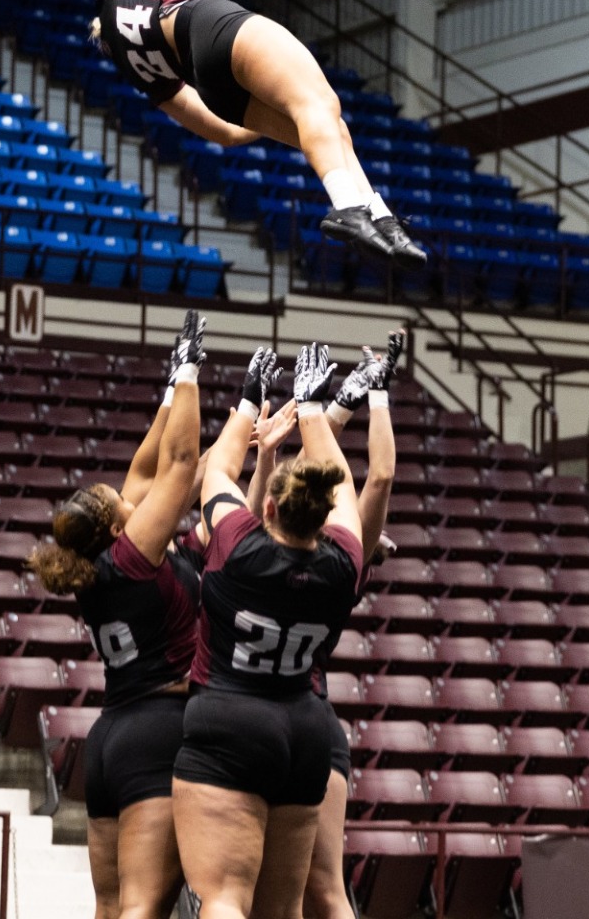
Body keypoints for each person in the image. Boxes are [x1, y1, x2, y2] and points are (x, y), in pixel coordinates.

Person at [93, 0, 428, 272]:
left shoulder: (140, 73)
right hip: (211, 26)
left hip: (213, 87)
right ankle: (346, 205)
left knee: (330, 126)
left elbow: (226, 133)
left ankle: (379, 216)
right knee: (320, 105)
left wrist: (284, 114)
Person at [27, 312, 209, 919]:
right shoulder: (133, 556)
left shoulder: (101, 564)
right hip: (159, 731)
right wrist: (190, 372)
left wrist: (170, 391)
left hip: (110, 740)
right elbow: (178, 464)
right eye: (120, 502)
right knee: (140, 908)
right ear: (114, 527)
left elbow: (148, 468)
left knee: (108, 907)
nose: (130, 494)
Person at [173, 342, 365, 919]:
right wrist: (313, 410)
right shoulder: (343, 563)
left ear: (271, 511)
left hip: (230, 719)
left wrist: (249, 400)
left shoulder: (238, 543)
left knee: (225, 897)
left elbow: (219, 471)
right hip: (305, 729)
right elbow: (346, 488)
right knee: (284, 910)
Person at [249, 333, 403, 919]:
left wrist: (326, 411)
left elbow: (291, 489)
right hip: (312, 724)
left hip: (244, 725)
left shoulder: (245, 556)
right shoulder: (345, 564)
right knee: (323, 894)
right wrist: (362, 401)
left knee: (246, 894)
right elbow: (375, 478)